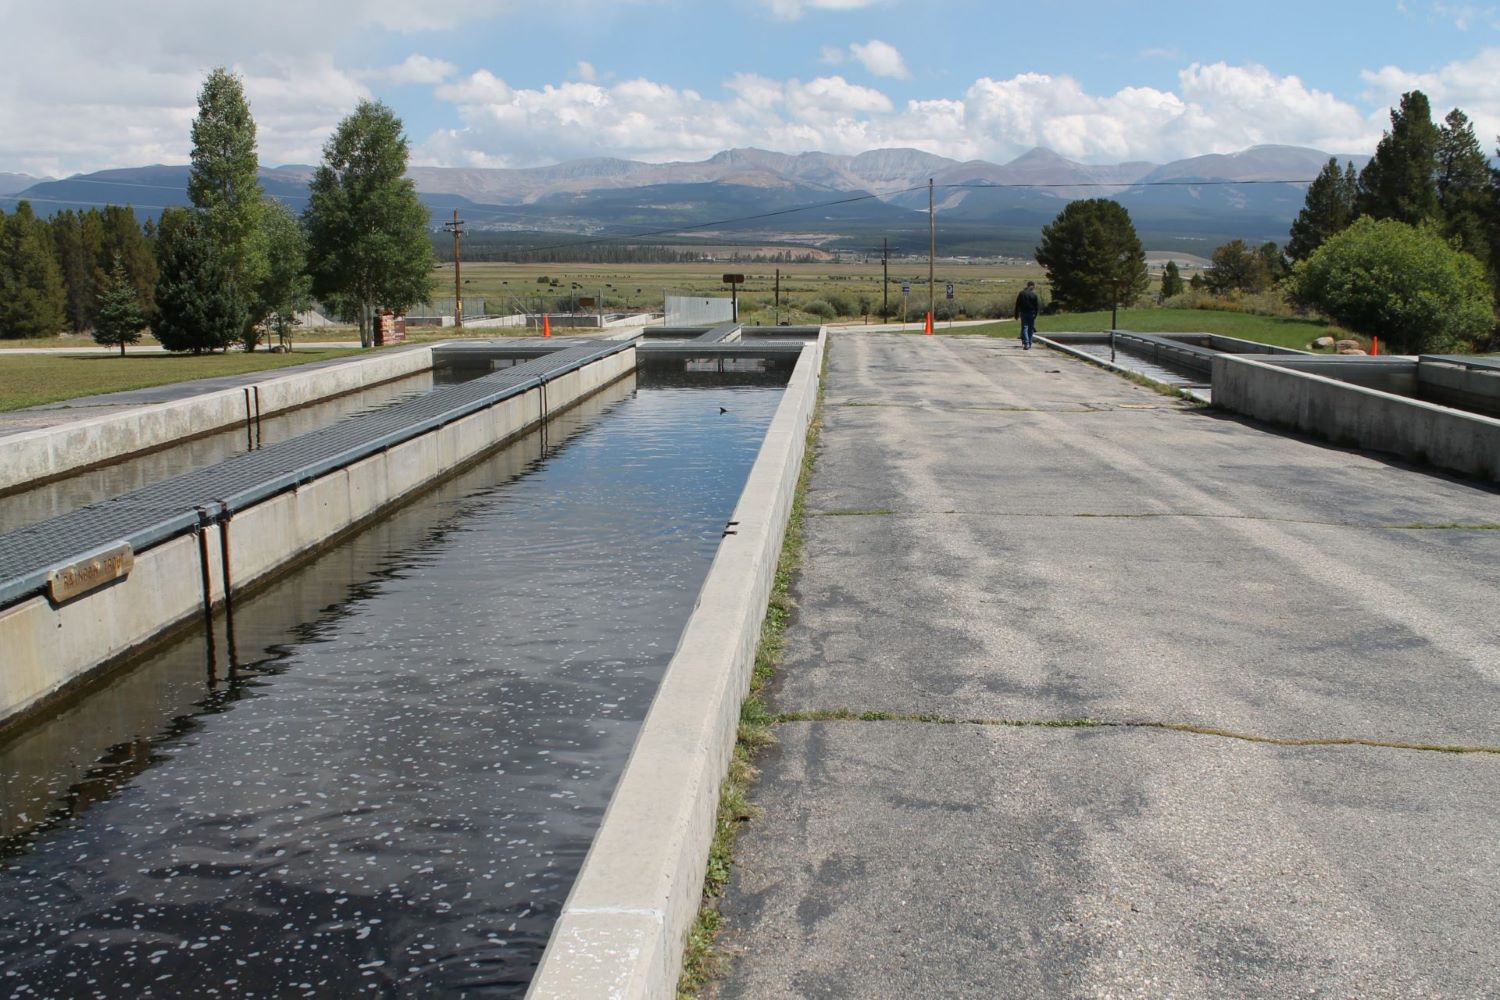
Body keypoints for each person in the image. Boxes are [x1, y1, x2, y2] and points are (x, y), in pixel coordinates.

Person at [1015, 281, 1040, 350]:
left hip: (1023, 313)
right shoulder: (1034, 294)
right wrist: (1036, 314)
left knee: (1025, 327)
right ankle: (1029, 342)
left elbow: (1017, 305)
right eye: (1034, 286)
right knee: (1030, 328)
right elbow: (1037, 306)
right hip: (1031, 313)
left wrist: (1016, 314)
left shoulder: (1021, 293)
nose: (1034, 287)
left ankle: (1026, 343)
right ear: (1031, 286)